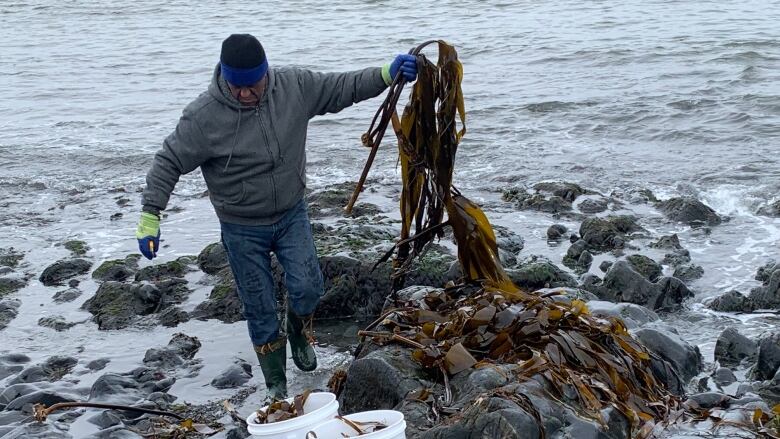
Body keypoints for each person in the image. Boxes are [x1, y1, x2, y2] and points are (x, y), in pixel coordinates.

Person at [135, 33, 417, 400]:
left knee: (308, 288)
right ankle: (276, 387)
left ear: (265, 72)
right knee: (259, 309)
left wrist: (385, 73)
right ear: (224, 78)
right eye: (236, 87)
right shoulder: (203, 116)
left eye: (252, 85)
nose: (245, 94)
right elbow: (168, 161)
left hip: (290, 213)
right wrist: (150, 214)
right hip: (240, 227)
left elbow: (341, 87)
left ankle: (298, 330)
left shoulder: (293, 86)